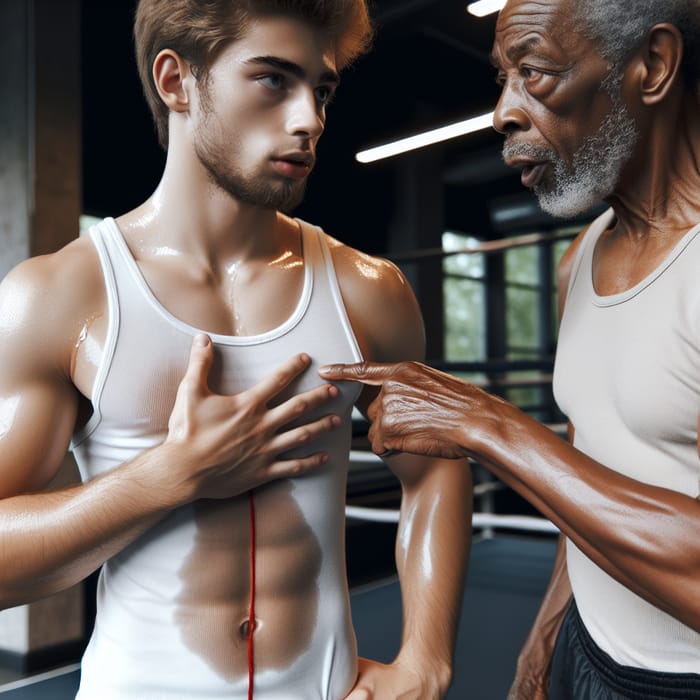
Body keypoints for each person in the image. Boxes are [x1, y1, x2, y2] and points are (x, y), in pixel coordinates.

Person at [0, 1, 472, 698]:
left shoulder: (368, 290)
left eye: (323, 88)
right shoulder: (61, 296)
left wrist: (426, 659)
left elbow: (434, 470)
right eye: (274, 80)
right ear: (176, 81)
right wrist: (170, 475)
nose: (310, 118)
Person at [320, 0, 700, 697]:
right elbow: (589, 468)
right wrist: (552, 626)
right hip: (589, 648)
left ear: (653, 65)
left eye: (534, 73)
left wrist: (491, 425)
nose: (504, 112)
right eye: (503, 78)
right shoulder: (578, 261)